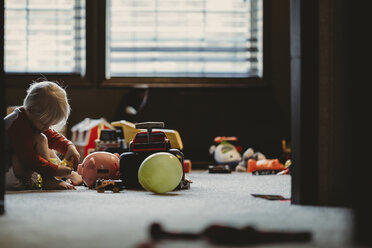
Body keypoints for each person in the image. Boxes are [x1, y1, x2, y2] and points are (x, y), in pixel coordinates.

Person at [4, 81, 83, 190]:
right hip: (7, 172)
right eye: (45, 124)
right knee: (41, 139)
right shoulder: (17, 124)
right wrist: (55, 170)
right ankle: (49, 179)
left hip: (20, 167)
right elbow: (29, 159)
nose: (47, 128)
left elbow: (53, 137)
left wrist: (69, 147)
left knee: (46, 144)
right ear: (32, 110)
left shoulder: (32, 118)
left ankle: (65, 174)